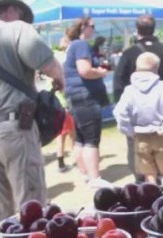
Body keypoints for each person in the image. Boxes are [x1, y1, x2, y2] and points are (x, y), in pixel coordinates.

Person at [0, 0, 64, 225]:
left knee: (1, 217)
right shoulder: (17, 29)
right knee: (32, 208)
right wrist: (60, 81)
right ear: (11, 10)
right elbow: (51, 67)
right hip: (15, 128)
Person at [114, 14, 163, 183]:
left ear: (137, 30)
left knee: (139, 157)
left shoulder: (129, 53)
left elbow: (118, 83)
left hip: (137, 120)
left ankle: (143, 184)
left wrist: (127, 120)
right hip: (161, 119)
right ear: (154, 28)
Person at [63, 16, 111, 189]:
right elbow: (84, 70)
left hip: (75, 96)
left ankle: (84, 173)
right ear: (83, 27)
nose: (94, 29)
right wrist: (100, 72)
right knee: (91, 138)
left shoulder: (72, 46)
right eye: (92, 26)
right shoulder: (81, 45)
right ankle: (94, 178)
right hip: (86, 96)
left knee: (80, 138)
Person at [52, 35, 75, 174]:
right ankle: (77, 159)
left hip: (57, 104)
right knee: (72, 135)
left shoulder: (54, 60)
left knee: (60, 136)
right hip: (66, 104)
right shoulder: (65, 60)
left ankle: (61, 163)